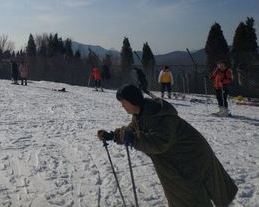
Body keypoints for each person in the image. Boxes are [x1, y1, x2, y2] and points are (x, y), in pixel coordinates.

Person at [98, 84, 237, 207]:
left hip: (192, 159)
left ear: (132, 100)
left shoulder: (160, 116)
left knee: (191, 196)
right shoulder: (141, 113)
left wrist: (134, 139)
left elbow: (159, 143)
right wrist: (113, 135)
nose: (122, 106)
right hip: (175, 161)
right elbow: (131, 132)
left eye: (123, 102)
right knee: (182, 196)